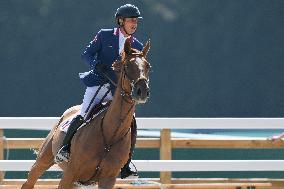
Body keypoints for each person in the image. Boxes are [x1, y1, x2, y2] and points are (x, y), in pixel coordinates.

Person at [55, 4, 144, 179]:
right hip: (99, 83)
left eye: (136, 21)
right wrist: (97, 65)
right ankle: (65, 148)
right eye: (131, 20)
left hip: (119, 91)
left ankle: (127, 163)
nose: (134, 24)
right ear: (121, 21)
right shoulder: (104, 35)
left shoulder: (138, 45)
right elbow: (86, 54)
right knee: (85, 112)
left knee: (130, 122)